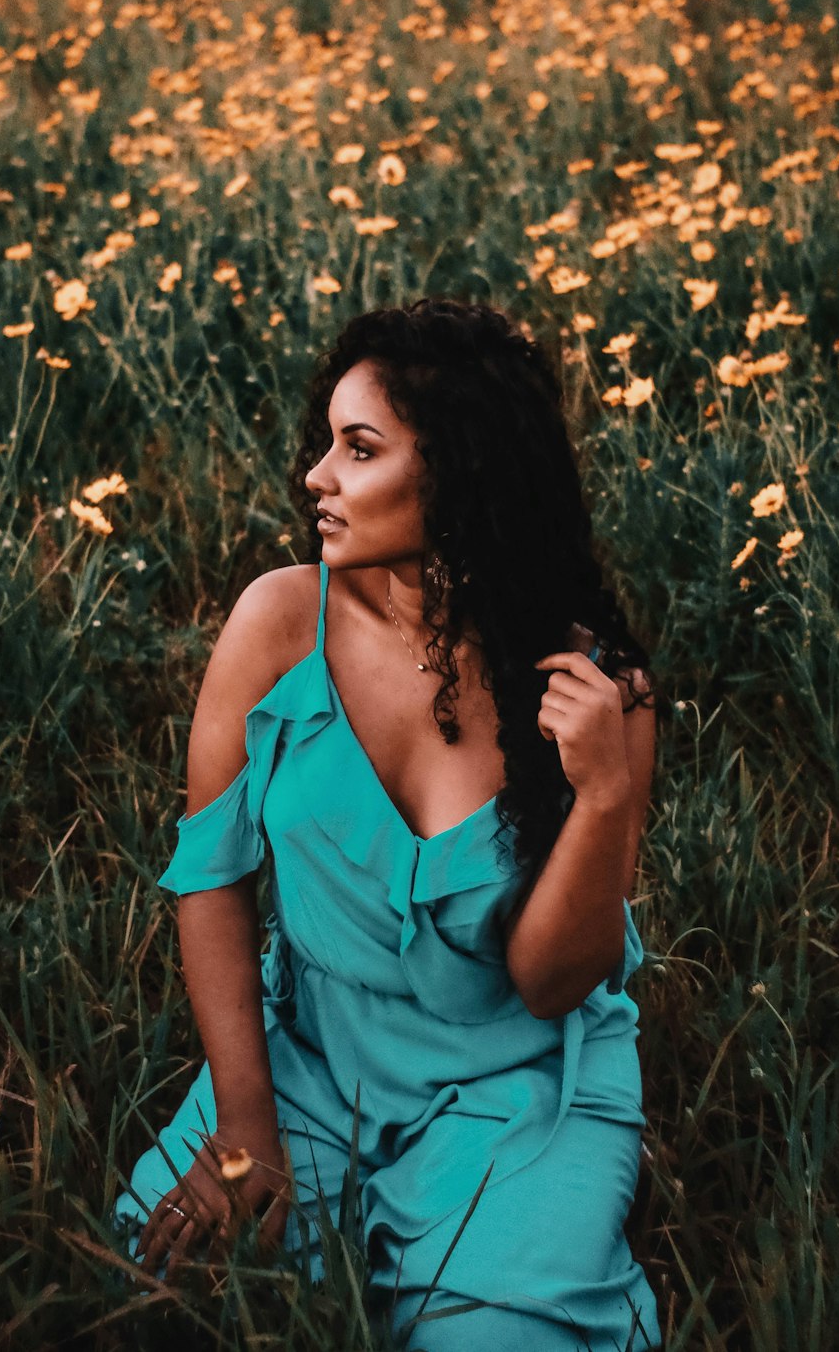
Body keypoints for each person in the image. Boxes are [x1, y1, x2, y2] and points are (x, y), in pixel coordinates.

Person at [112, 297, 664, 1350]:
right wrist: (244, 1124)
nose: (317, 475)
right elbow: (210, 880)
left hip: (512, 1086)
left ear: (459, 474)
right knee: (160, 1287)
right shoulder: (278, 621)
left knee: (489, 1340)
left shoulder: (593, 690)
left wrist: (602, 795)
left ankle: (557, 1205)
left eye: (357, 449)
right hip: (312, 1055)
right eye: (327, 440)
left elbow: (553, 982)